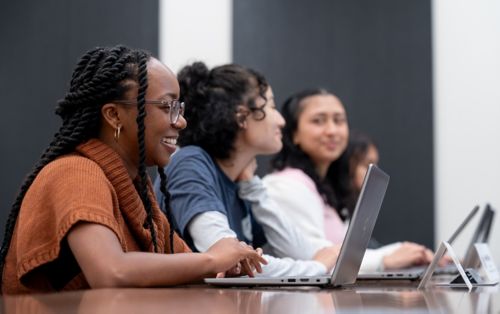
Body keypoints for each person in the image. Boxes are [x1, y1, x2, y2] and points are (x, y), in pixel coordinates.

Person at [0, 46, 265, 294]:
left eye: (179, 108)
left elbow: (183, 265)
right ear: (114, 115)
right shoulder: (75, 172)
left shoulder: (135, 189)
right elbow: (111, 272)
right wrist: (211, 259)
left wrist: (226, 263)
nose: (181, 121)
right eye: (167, 107)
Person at [155, 62, 340, 277]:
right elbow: (231, 259)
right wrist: (316, 268)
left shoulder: (239, 182)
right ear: (241, 116)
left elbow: (298, 251)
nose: (281, 121)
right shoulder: (190, 163)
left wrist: (253, 187)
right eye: (271, 106)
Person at [263, 88, 436, 272]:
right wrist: (386, 258)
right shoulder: (285, 185)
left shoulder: (325, 188)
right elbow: (317, 257)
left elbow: (346, 254)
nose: (332, 130)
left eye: (339, 120)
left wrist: (408, 253)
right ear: (294, 133)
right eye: (318, 121)